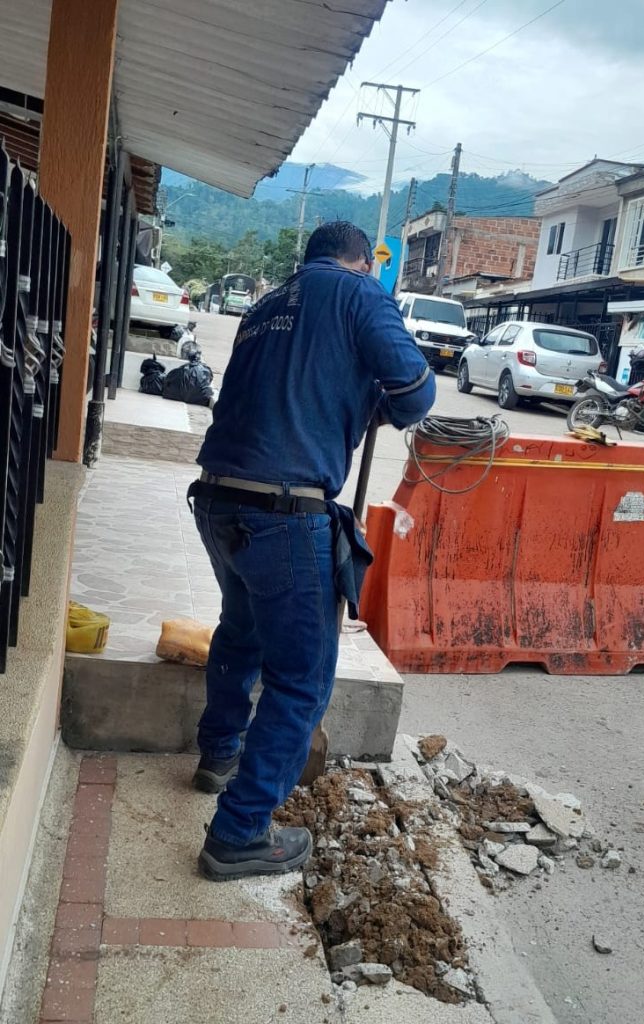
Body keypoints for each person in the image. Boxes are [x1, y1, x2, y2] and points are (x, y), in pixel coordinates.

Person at [188, 222, 435, 881]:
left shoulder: (265, 304)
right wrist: (380, 400)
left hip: (216, 498)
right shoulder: (359, 292)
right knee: (301, 677)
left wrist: (357, 396)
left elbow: (283, 392)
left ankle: (219, 753)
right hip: (282, 513)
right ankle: (239, 833)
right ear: (360, 262)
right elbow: (416, 393)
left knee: (241, 631)